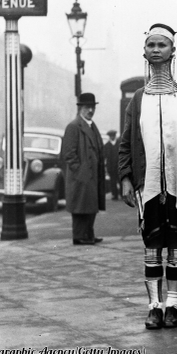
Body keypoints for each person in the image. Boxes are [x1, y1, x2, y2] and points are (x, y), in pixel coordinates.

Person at [118, 23, 177, 330]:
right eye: (151, 45)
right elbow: (126, 143)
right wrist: (126, 178)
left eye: (162, 45)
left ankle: (173, 305)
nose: (156, 49)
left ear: (173, 51)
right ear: (144, 52)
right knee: (152, 245)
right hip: (149, 186)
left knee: (176, 245)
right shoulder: (138, 99)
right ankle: (154, 306)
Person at [61, 92, 105, 246]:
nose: (91, 110)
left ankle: (88, 234)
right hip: (81, 177)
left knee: (90, 206)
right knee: (81, 207)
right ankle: (80, 236)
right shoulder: (73, 127)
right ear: (80, 108)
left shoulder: (91, 126)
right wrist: (80, 171)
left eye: (92, 107)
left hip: (92, 175)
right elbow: (69, 154)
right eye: (87, 107)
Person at [103, 129, 119, 200]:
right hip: (111, 166)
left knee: (121, 180)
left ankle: (122, 194)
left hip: (119, 166)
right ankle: (114, 195)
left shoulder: (120, 144)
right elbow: (104, 156)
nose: (112, 137)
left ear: (115, 136)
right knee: (113, 181)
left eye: (113, 136)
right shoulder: (106, 145)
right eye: (111, 136)